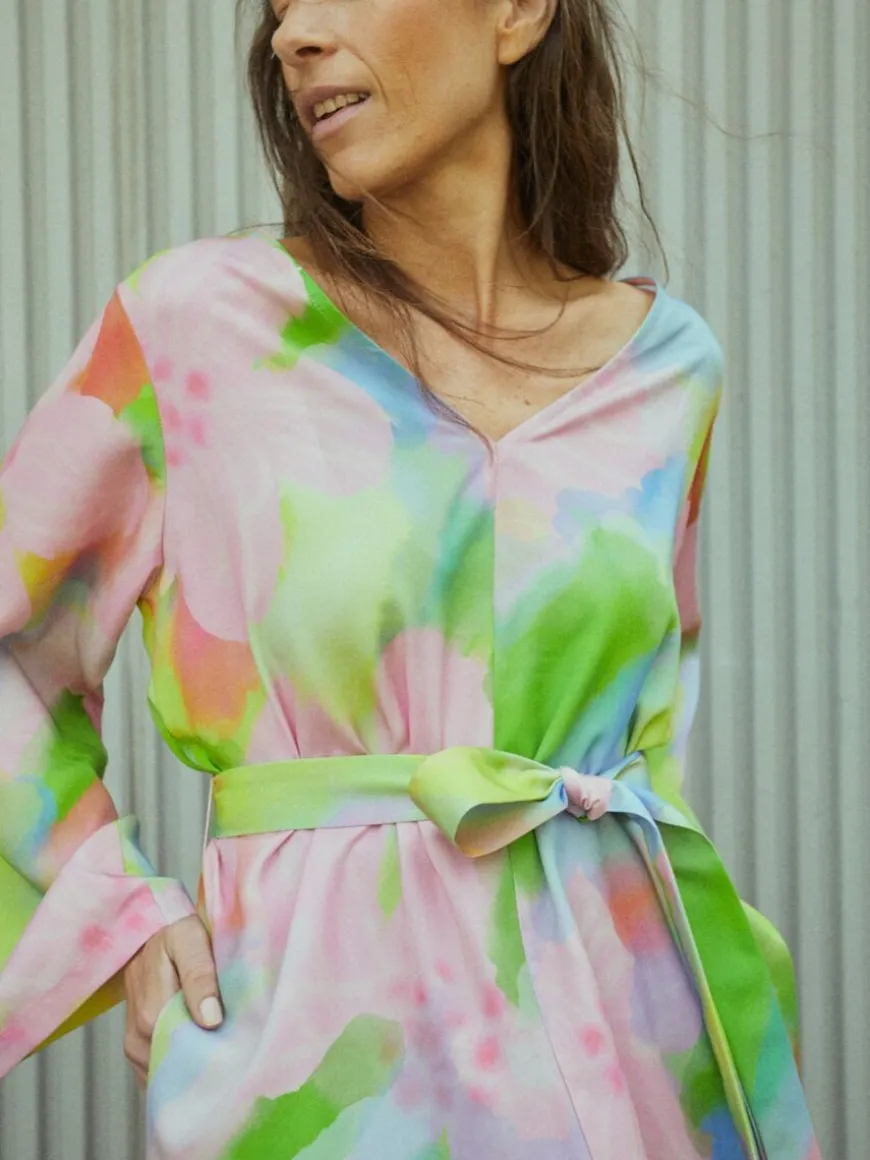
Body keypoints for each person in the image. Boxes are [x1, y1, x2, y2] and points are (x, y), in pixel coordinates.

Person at [0, 0, 820, 1157]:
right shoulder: (195, 330)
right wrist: (122, 917)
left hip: (634, 1052)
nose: (291, 35)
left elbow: (643, 743)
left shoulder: (672, 367)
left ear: (517, 13)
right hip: (328, 1079)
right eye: (279, 5)